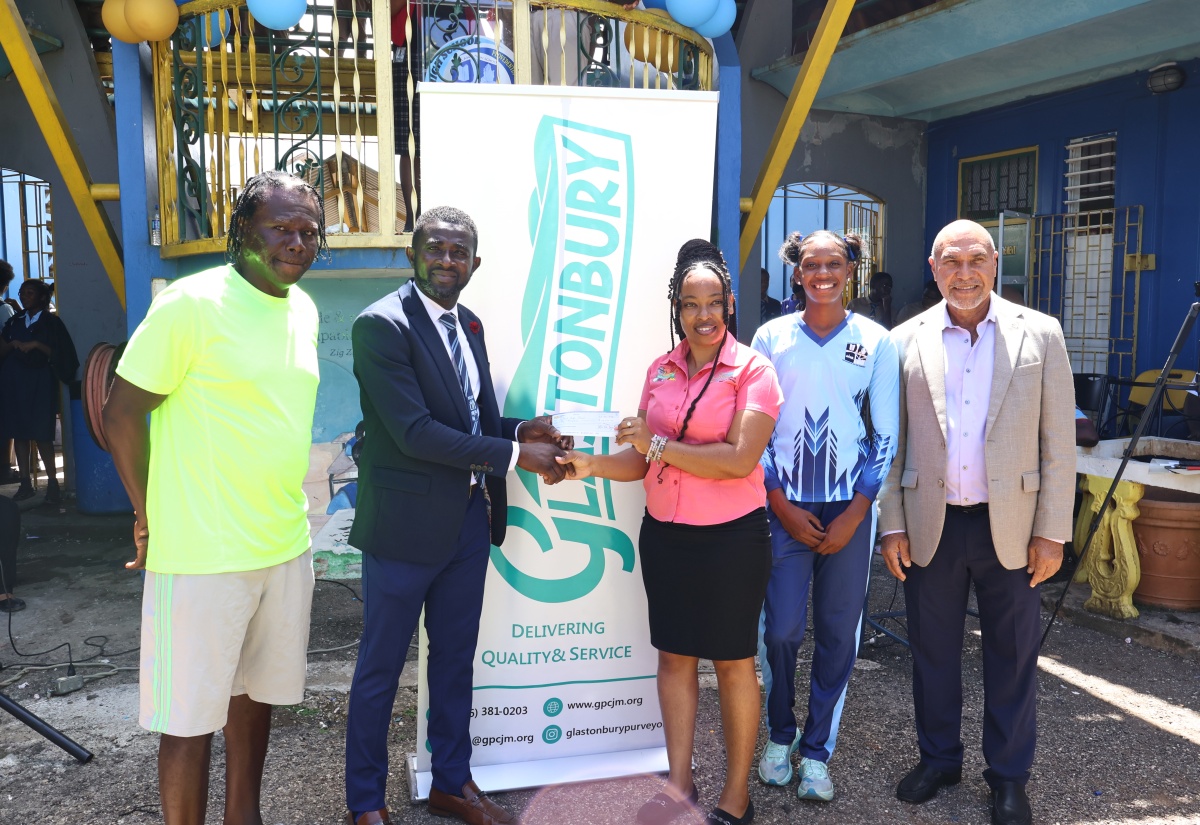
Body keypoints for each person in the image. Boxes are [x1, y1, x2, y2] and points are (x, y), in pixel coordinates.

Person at [103, 170, 326, 825]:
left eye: (309, 232)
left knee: (255, 698)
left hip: (285, 546)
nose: (297, 242)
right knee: (188, 716)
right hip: (202, 555)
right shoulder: (190, 305)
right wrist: (146, 512)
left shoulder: (303, 309)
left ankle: (244, 817)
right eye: (281, 228)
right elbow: (120, 413)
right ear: (241, 231)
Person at [344, 205, 571, 825]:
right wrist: (519, 453)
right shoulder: (380, 326)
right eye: (435, 248)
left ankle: (451, 782)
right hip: (401, 530)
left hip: (467, 524)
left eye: (459, 251)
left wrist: (522, 429)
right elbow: (416, 433)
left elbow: (470, 422)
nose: (448, 260)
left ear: (475, 262)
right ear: (412, 254)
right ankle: (365, 804)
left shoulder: (467, 324)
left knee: (453, 661)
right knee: (380, 670)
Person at [558, 239, 782, 825]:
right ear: (676, 309)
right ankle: (679, 787)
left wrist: (654, 445)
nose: (703, 315)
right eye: (690, 304)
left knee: (734, 663)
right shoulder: (659, 370)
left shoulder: (754, 371)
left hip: (733, 540)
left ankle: (736, 797)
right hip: (665, 537)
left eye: (714, 302)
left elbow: (738, 459)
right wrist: (594, 465)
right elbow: (641, 460)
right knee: (675, 658)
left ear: (731, 304)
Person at [878, 219, 1074, 825]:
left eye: (975, 261)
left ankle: (1009, 777)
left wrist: (1053, 531)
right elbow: (891, 444)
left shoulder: (1040, 333)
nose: (964, 274)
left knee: (1013, 657)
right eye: (950, 263)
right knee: (933, 652)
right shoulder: (905, 339)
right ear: (933, 269)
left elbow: (1058, 443)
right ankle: (939, 759)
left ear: (995, 263)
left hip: (1012, 526)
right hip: (931, 523)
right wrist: (892, 525)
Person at [751, 231, 899, 802]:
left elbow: (885, 434)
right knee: (782, 629)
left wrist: (857, 512)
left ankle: (816, 751)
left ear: (850, 270)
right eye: (811, 264)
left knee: (839, 634)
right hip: (783, 505)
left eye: (833, 264)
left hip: (849, 508)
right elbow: (754, 428)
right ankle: (780, 734)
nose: (822, 274)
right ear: (795, 273)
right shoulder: (771, 338)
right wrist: (779, 503)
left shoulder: (875, 341)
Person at [0, 278, 78, 503]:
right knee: (20, 432)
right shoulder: (15, 322)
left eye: (30, 293)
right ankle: (25, 482)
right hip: (15, 382)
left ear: (43, 297)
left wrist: (35, 345)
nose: (24, 297)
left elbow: (62, 354)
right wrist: (12, 344)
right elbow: (2, 349)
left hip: (40, 382)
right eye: (22, 293)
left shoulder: (51, 323)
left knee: (42, 433)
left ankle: (52, 484)